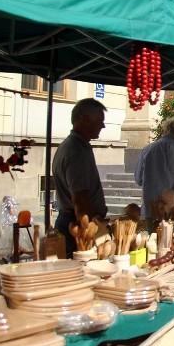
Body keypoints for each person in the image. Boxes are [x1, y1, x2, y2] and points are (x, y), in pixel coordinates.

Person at [52, 98, 109, 257]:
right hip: (76, 227)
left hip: (70, 221)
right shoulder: (76, 151)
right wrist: (90, 228)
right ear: (86, 120)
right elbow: (80, 199)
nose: (103, 126)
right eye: (100, 121)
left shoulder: (71, 145)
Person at [134, 117, 174, 218]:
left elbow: (138, 179)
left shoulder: (147, 150)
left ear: (164, 131)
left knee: (152, 233)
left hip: (152, 207)